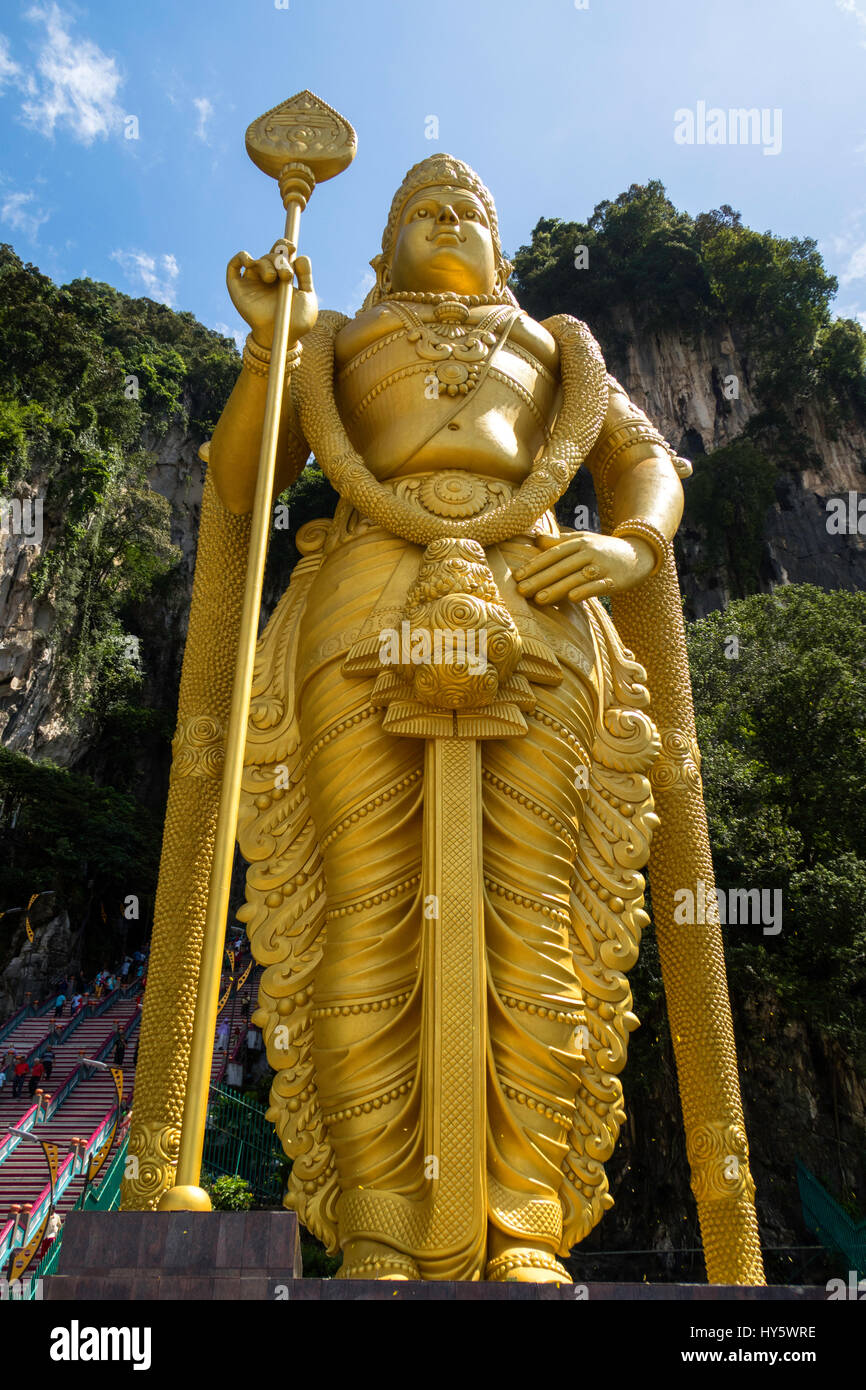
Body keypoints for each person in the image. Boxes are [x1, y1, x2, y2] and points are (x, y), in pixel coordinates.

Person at [210, 153, 680, 1282]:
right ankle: (376, 1217)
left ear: (502, 250)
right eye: (421, 209)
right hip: (361, 605)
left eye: (468, 208)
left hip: (539, 600)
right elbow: (239, 484)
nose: (447, 216)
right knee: (363, 905)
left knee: (538, 915)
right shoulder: (337, 343)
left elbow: (645, 461)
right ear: (379, 254)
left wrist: (629, 542)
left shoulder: (556, 349)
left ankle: (522, 1224)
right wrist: (274, 342)